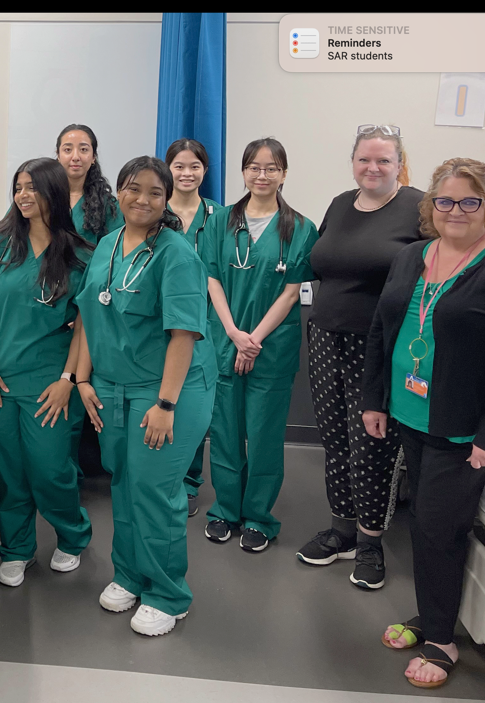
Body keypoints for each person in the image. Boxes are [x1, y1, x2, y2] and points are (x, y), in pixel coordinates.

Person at [366, 158, 485, 689]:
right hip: (409, 414)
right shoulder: (413, 256)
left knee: (438, 528)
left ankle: (441, 640)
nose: (456, 210)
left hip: (462, 428)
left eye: (470, 201)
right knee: (424, 523)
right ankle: (433, 614)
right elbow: (382, 330)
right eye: (445, 200)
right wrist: (375, 400)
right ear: (431, 205)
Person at [74, 156, 216, 636]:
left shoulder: (177, 255)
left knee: (155, 489)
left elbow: (183, 335)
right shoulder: (108, 244)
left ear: (167, 199)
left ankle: (168, 594)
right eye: (134, 189)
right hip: (112, 386)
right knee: (124, 482)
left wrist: (166, 405)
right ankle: (131, 575)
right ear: (118, 192)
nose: (143, 199)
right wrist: (83, 380)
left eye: (156, 192)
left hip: (168, 390)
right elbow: (91, 315)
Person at [0, 158, 93, 588]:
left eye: (32, 187)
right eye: (18, 187)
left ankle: (73, 535)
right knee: (10, 471)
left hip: (49, 380)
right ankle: (17, 549)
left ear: (54, 191)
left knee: (50, 469)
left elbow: (85, 325)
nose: (23, 195)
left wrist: (68, 380)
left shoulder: (79, 254)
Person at [296, 125, 424, 589]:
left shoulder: (419, 208)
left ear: (400, 165)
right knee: (335, 440)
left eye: (384, 160)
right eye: (364, 159)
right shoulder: (339, 204)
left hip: (381, 345)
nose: (373, 168)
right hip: (325, 337)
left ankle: (371, 542)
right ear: (353, 162)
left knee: (372, 445)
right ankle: (342, 531)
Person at [201, 138, 318, 553]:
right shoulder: (219, 221)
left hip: (271, 347)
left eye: (271, 168)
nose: (262, 175)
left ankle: (258, 517)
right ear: (243, 171)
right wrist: (234, 334)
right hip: (225, 339)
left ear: (284, 174)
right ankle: (224, 511)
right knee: (225, 433)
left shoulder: (301, 228)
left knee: (265, 435)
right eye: (254, 167)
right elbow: (212, 279)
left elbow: (291, 293)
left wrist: (253, 341)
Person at [55, 124, 119, 489]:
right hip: (50, 307)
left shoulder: (107, 207)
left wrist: (88, 306)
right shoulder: (41, 196)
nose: (75, 156)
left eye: (83, 149)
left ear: (93, 156)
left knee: (82, 387)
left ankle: (80, 473)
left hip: (91, 307)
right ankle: (59, 471)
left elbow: (114, 257)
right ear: (58, 154)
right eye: (68, 148)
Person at [162, 138, 224, 517]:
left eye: (194, 166)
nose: (187, 173)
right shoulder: (153, 212)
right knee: (162, 398)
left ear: (205, 170)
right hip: (162, 324)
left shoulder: (219, 216)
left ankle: (188, 483)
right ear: (168, 169)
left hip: (208, 324)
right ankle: (162, 478)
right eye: (179, 166)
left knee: (196, 406)